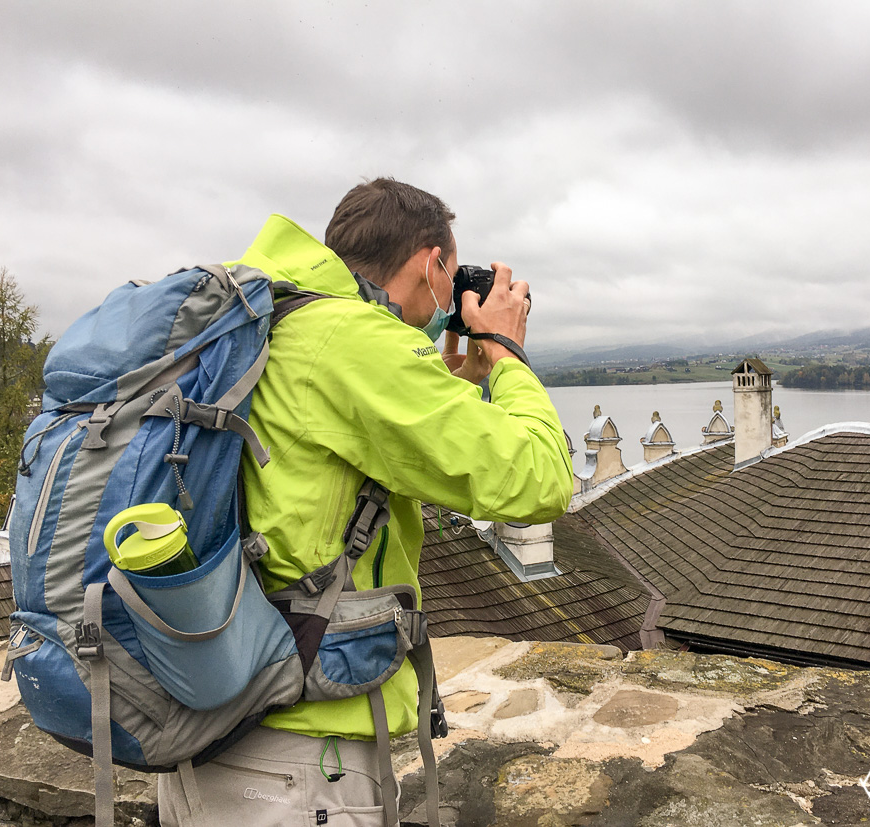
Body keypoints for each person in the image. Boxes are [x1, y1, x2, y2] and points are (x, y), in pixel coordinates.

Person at [158, 178, 574, 825]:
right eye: (448, 276)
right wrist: (507, 352)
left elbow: (330, 456)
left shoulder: (268, 323)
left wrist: (452, 380)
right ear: (430, 263)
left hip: (211, 725)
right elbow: (539, 476)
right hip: (298, 757)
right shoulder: (352, 340)